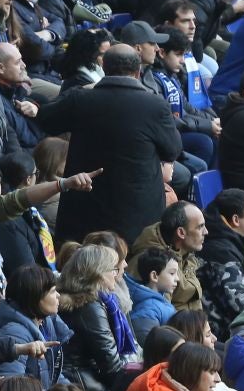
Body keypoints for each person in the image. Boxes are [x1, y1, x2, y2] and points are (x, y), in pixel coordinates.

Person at [39, 43, 180, 245]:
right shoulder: (154, 105)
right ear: (138, 71)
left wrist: (80, 92)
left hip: (85, 212)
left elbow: (46, 119)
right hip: (137, 217)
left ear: (103, 67)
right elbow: (172, 150)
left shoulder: (81, 98)